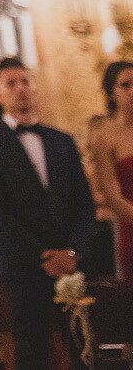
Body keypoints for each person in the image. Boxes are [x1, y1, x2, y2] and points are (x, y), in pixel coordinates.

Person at [0, 57, 92, 370]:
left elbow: (84, 205)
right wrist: (44, 256)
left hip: (72, 264)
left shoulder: (62, 141)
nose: (21, 89)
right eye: (11, 83)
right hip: (22, 267)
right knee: (30, 350)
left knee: (82, 345)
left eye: (25, 81)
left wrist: (71, 252)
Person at [87, 59, 133, 279]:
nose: (132, 91)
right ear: (112, 93)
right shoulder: (105, 137)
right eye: (125, 85)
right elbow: (112, 196)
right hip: (129, 225)